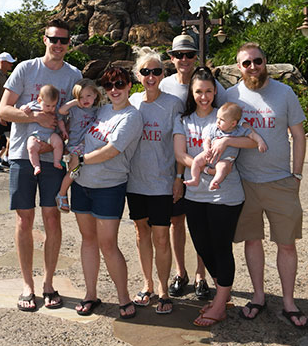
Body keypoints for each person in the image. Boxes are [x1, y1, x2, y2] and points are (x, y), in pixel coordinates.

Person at [0, 19, 82, 312]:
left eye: (64, 40)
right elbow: (4, 110)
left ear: (69, 44)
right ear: (44, 39)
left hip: (54, 157)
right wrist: (35, 118)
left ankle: (48, 283)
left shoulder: (74, 75)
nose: (58, 45)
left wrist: (62, 144)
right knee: (24, 220)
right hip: (24, 154)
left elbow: (78, 116)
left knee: (52, 218)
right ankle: (27, 285)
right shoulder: (25, 69)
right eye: (53, 39)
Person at [224, 42, 308, 328]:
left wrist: (296, 175)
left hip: (280, 181)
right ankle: (258, 295)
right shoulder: (231, 95)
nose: (252, 67)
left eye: (257, 61)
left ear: (265, 62)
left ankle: (288, 302)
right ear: (239, 66)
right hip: (244, 181)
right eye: (246, 63)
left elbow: (298, 135)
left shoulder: (285, 93)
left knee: (286, 244)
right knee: (252, 240)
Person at [173, 67, 257, 327]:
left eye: (209, 91)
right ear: (192, 92)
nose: (204, 96)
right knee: (202, 246)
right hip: (196, 194)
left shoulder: (226, 117)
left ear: (215, 92)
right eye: (199, 91)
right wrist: (206, 169)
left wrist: (227, 142)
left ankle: (220, 304)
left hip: (226, 196)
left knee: (221, 248)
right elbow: (180, 154)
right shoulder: (184, 119)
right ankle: (223, 293)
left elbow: (252, 141)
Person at [70, 67, 143, 319]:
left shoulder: (131, 117)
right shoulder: (101, 110)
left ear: (129, 87)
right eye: (109, 85)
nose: (114, 90)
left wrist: (79, 159)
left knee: (108, 244)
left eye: (119, 84)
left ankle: (123, 298)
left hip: (109, 187)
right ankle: (91, 294)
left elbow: (112, 150)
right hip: (82, 185)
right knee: (88, 240)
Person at [159, 34, 227, 299]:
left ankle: (201, 275)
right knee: (177, 221)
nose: (184, 60)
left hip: (205, 164)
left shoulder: (211, 85)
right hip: (173, 164)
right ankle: (180, 271)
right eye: (179, 55)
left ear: (196, 57)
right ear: (172, 57)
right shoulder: (164, 84)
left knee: (201, 223)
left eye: (189, 55)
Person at [127, 47, 184, 314]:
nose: (151, 76)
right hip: (135, 182)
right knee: (141, 233)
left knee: (162, 237)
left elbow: (180, 144)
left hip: (162, 181)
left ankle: (163, 288)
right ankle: (147, 284)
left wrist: (179, 177)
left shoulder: (173, 104)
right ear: (138, 75)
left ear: (163, 73)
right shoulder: (132, 102)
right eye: (145, 71)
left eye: (156, 71)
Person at [184, 102, 267, 191]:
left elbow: (253, 135)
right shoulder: (214, 128)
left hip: (226, 158)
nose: (218, 121)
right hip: (210, 153)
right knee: (196, 160)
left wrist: (260, 142)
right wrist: (207, 149)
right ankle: (195, 179)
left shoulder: (239, 131)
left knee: (222, 168)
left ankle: (215, 182)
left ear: (233, 124)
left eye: (222, 119)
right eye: (217, 118)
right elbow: (206, 140)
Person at [55, 78, 101, 213]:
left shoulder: (97, 110)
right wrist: (74, 102)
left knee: (78, 172)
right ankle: (62, 193)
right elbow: (61, 111)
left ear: (95, 95)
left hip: (88, 146)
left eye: (88, 96)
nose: (85, 100)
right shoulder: (75, 109)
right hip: (75, 145)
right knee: (73, 171)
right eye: (81, 97)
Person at [20, 84, 64, 176]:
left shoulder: (56, 109)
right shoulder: (33, 105)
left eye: (53, 105)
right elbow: (21, 109)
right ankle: (36, 166)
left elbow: (60, 120)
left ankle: (56, 161)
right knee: (31, 147)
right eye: (48, 106)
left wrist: (63, 130)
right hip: (35, 135)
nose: (51, 108)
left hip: (50, 135)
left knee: (59, 143)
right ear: (40, 100)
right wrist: (24, 108)